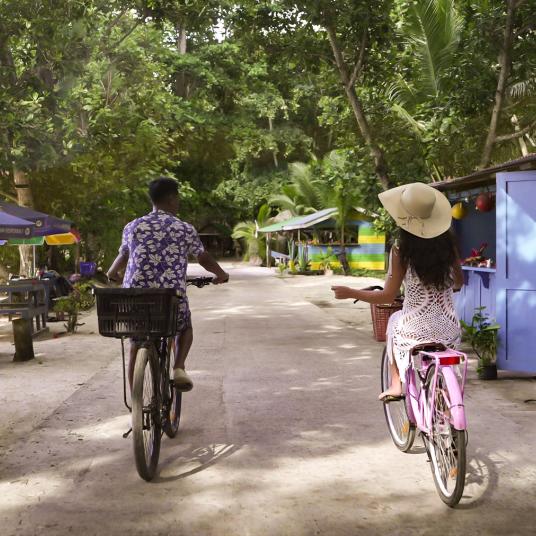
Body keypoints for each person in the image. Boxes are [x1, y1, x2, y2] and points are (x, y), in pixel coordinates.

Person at [331, 182, 463, 400]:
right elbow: (459, 281)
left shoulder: (401, 251)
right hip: (449, 328)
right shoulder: (449, 248)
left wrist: (351, 292)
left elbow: (387, 296)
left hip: (413, 330)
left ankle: (396, 384)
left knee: (394, 321)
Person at [107, 177, 229, 391]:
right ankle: (179, 367)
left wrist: (114, 275)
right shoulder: (183, 228)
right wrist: (221, 273)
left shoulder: (132, 226)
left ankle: (136, 402)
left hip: (135, 298)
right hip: (169, 297)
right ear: (172, 199)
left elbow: (119, 261)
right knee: (185, 327)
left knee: (135, 343)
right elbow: (203, 257)